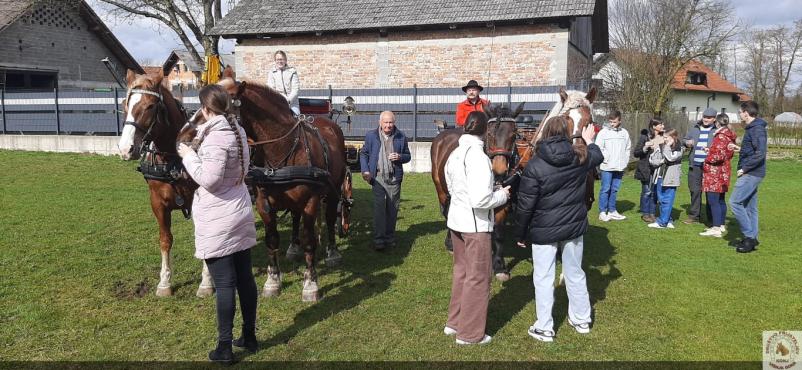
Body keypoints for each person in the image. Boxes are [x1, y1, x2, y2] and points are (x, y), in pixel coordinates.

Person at [177, 84, 258, 364]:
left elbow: (209, 180)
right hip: (239, 209)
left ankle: (224, 348)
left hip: (218, 215)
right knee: (245, 278)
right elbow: (243, 170)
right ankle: (249, 335)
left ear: (205, 109)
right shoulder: (238, 131)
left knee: (225, 284)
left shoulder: (216, 138)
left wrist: (188, 156)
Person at [513, 116, 602, 343]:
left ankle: (545, 327)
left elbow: (525, 204)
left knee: (543, 277)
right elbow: (598, 155)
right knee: (575, 272)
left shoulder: (535, 164)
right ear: (565, 133)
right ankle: (581, 319)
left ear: (545, 133)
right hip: (573, 227)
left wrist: (521, 234)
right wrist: (588, 139)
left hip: (544, 230)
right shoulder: (579, 157)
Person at [443, 111, 510, 345]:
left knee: (461, 272)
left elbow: (451, 186)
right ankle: (470, 334)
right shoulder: (479, 158)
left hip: (456, 222)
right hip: (475, 226)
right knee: (478, 277)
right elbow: (481, 200)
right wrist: (501, 195)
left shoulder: (454, 153)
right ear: (485, 131)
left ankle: (454, 322)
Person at [359, 111, 412, 251]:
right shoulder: (371, 136)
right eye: (386, 122)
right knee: (379, 209)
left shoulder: (401, 136)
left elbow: (408, 156)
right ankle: (379, 239)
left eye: (391, 122)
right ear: (380, 123)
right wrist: (365, 170)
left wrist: (400, 156)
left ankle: (389, 237)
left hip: (394, 178)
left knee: (392, 209)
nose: (388, 125)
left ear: (394, 123)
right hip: (378, 178)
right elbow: (364, 153)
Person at [730, 101, 768, 253]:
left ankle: (749, 237)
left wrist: (745, 168)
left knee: (735, 203)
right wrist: (739, 149)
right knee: (750, 208)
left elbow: (760, 153)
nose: (740, 115)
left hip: (751, 173)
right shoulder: (753, 128)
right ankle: (753, 237)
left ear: (746, 112)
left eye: (740, 112)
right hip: (753, 172)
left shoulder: (757, 129)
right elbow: (753, 150)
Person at [700, 114, 737, 238]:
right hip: (724, 171)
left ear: (717, 123)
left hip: (715, 173)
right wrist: (710, 150)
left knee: (713, 200)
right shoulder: (729, 135)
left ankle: (715, 227)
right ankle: (720, 225)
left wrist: (707, 159)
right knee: (720, 199)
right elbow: (726, 153)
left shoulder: (721, 136)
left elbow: (718, 156)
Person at [682, 107, 717, 225]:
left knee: (710, 192)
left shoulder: (717, 131)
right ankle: (694, 216)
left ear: (714, 119)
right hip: (694, 165)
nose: (706, 119)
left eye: (709, 118)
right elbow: (684, 140)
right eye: (704, 117)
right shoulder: (694, 128)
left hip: (710, 167)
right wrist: (687, 142)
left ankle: (712, 219)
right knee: (694, 190)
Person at [596, 110, 631, 222]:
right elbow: (598, 148)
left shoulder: (624, 133)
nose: (612, 124)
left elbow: (628, 148)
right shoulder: (603, 132)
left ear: (620, 120)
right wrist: (606, 159)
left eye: (614, 122)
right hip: (607, 166)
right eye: (610, 121)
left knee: (614, 189)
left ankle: (612, 211)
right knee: (605, 189)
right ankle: (602, 212)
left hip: (619, 167)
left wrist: (625, 161)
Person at [648, 129, 684, 229]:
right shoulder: (660, 147)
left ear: (673, 138)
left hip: (670, 178)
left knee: (668, 200)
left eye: (666, 138)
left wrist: (667, 147)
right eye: (663, 137)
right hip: (660, 177)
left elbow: (670, 158)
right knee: (661, 199)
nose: (664, 140)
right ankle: (668, 220)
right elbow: (653, 160)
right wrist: (660, 161)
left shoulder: (679, 149)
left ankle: (662, 222)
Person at [633, 118, 664, 223]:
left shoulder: (663, 137)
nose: (662, 126)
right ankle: (645, 213)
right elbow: (636, 153)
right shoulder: (645, 137)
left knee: (654, 192)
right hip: (646, 168)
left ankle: (652, 213)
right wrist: (645, 147)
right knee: (647, 191)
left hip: (658, 169)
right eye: (660, 124)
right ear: (654, 126)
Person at [266, 50, 300, 115]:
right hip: (278, 102)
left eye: (281, 59)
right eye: (277, 59)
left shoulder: (292, 71)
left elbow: (295, 89)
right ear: (275, 61)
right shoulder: (272, 72)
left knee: (297, 121)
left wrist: (288, 100)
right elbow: (271, 89)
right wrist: (282, 99)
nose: (280, 61)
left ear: (285, 60)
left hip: (292, 103)